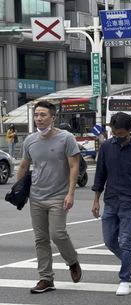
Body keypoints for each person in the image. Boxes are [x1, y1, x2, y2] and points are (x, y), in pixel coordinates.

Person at [16, 101, 82, 293]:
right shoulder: (30, 140)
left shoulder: (66, 138)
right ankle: (46, 278)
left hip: (58, 196)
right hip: (36, 195)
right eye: (36, 115)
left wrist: (71, 193)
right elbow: (23, 165)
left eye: (43, 115)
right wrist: (19, 190)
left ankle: (72, 261)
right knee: (41, 238)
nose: (39, 118)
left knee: (57, 234)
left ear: (53, 117)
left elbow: (74, 167)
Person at [92, 112, 131, 296]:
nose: (116, 136)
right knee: (109, 240)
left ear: (129, 130)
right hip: (111, 199)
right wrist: (96, 200)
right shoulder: (106, 147)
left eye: (119, 133)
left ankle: (125, 279)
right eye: (114, 132)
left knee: (125, 240)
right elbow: (100, 174)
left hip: (130, 201)